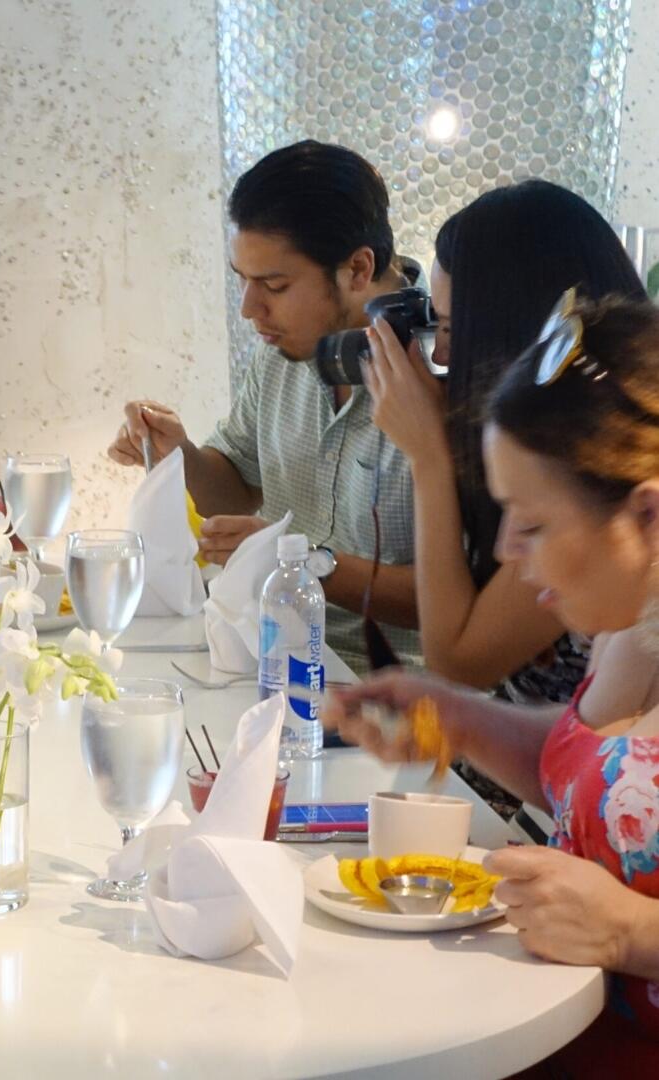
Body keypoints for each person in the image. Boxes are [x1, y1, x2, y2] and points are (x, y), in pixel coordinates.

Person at [327, 294, 659, 1072]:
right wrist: (459, 716)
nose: (508, 549)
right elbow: (605, 779)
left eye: (534, 523)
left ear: (648, 518)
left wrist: (628, 933)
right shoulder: (628, 626)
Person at [107, 140, 419, 669]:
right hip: (267, 652)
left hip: (389, 690)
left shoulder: (443, 373)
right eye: (244, 282)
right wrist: (178, 452)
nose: (251, 309)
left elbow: (462, 603)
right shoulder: (280, 350)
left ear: (358, 269)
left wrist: (306, 563)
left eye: (274, 284)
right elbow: (236, 487)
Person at [362, 180, 648, 704]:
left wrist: (428, 456)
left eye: (451, 328)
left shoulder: (590, 471)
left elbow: (458, 661)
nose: (442, 355)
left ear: (505, 335)